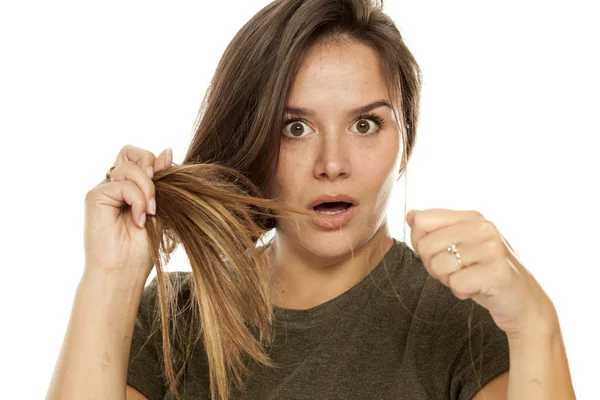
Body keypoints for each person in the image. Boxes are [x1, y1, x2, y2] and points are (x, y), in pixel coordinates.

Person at [46, 0, 576, 399]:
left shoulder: (461, 322)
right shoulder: (168, 321)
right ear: (252, 141)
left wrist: (537, 322)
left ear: (406, 141)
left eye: (366, 124)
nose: (332, 163)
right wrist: (110, 278)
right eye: (295, 128)